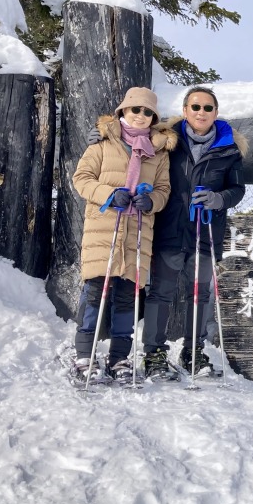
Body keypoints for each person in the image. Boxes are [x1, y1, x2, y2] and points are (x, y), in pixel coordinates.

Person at [141, 85, 247, 377]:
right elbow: (130, 139)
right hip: (170, 230)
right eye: (196, 107)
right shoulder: (167, 140)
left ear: (216, 112)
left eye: (208, 107)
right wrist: (103, 135)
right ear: (185, 111)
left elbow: (237, 189)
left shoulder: (228, 149)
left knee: (199, 294)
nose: (202, 112)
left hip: (205, 231)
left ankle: (193, 352)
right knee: (160, 293)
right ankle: (153, 355)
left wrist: (218, 199)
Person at [71, 87, 174, 382]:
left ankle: (119, 358)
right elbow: (81, 179)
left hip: (137, 234)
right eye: (135, 110)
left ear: (153, 117)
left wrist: (151, 201)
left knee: (128, 298)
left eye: (147, 112)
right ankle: (84, 356)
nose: (140, 116)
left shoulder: (158, 153)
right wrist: (108, 194)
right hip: (103, 230)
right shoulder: (102, 144)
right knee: (94, 293)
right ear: (123, 112)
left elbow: (163, 189)